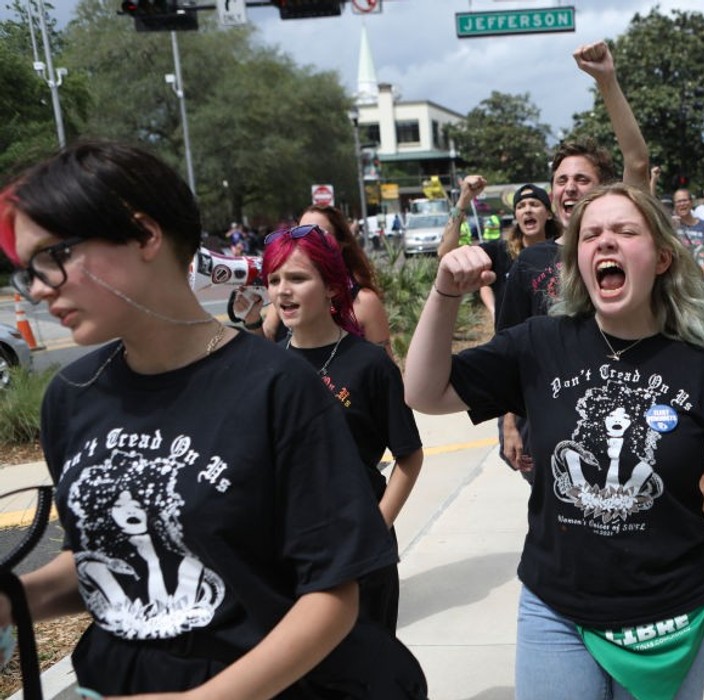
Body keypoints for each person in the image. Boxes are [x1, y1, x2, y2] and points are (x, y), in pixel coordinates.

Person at [0, 140, 424, 697]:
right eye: (27, 269)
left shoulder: (278, 387)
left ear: (145, 234)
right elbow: (100, 561)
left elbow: (333, 597)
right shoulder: (70, 397)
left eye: (55, 256)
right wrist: (14, 602)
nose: (36, 288)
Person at [405, 182, 704, 699]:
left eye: (625, 231)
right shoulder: (540, 344)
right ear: (577, 259)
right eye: (591, 235)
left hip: (670, 620)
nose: (605, 241)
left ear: (661, 257)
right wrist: (445, 294)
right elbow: (424, 392)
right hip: (556, 611)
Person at [493, 39, 650, 480]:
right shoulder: (529, 263)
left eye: (582, 179)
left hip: (621, 407)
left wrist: (607, 81)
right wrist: (509, 422)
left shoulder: (624, 248)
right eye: (560, 180)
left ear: (603, 189)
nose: (568, 188)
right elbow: (508, 349)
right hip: (547, 421)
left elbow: (637, 160)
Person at [263, 223, 424, 634]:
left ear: (333, 287)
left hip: (361, 557)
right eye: (275, 279)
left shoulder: (370, 364)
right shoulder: (266, 366)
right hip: (291, 555)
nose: (283, 290)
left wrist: (375, 526)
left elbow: (409, 455)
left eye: (297, 278)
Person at [237, 203, 398, 363]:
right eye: (299, 233)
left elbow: (384, 369)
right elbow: (265, 349)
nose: (306, 242)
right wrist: (252, 320)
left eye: (318, 234)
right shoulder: (284, 295)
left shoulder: (364, 301)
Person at [439, 176, 560, 320]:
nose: (527, 210)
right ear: (516, 216)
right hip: (511, 341)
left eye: (534, 204)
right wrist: (462, 201)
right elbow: (445, 253)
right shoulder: (500, 251)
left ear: (548, 214)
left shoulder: (562, 252)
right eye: (520, 206)